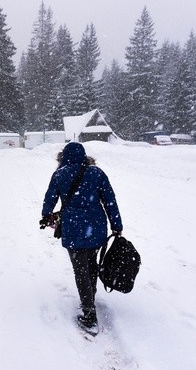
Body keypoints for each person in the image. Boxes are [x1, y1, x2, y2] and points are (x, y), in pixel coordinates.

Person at [40, 142, 123, 334]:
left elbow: (49, 198)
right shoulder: (97, 173)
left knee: (80, 268)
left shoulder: (59, 174)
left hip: (73, 226)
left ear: (63, 157)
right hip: (96, 227)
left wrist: (46, 214)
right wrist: (117, 226)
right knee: (91, 263)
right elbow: (110, 200)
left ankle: (89, 314)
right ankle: (90, 296)